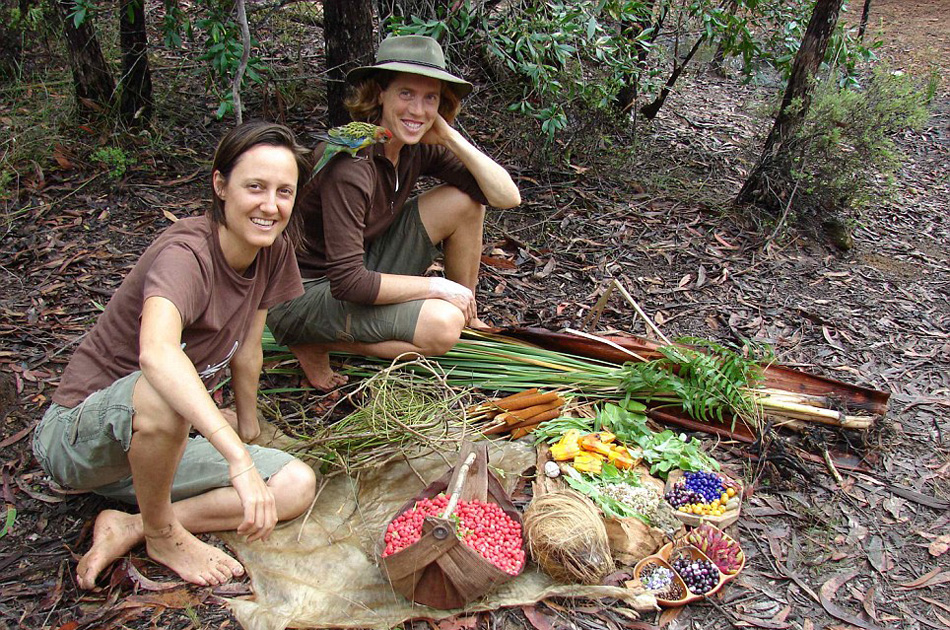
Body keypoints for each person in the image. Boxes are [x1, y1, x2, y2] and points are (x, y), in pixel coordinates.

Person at [31, 122, 318, 589]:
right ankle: (163, 535)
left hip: (156, 453)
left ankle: (134, 523)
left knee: (294, 485)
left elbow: (248, 351)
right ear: (220, 185)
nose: (271, 206)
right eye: (255, 187)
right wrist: (237, 460)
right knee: (164, 390)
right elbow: (158, 356)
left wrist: (250, 431)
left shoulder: (272, 250)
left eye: (284, 191)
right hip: (81, 441)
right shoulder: (187, 255)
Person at [266, 35, 521, 391]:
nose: (417, 110)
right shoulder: (351, 165)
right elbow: (348, 281)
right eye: (406, 94)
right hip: (303, 294)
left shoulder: (414, 147)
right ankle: (313, 341)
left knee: (464, 202)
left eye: (429, 97)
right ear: (380, 94)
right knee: (442, 325)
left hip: (361, 262)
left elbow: (505, 196)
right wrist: (437, 288)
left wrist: (447, 136)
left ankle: (468, 314)